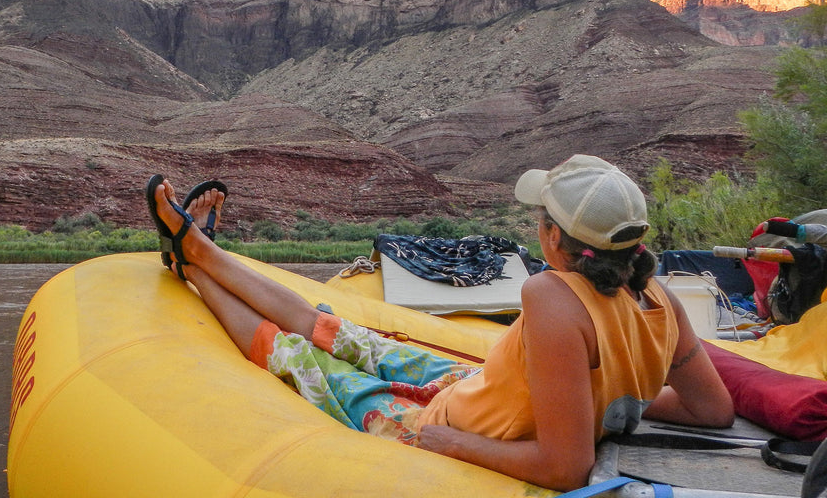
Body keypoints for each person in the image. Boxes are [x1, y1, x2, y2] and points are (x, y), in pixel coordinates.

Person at [146, 155, 734, 492]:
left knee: (298, 353)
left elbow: (565, 467)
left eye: (540, 219)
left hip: (440, 420)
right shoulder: (659, 298)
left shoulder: (552, 295)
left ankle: (192, 265)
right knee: (334, 329)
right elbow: (714, 410)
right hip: (468, 385)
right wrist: (601, 402)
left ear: (554, 237)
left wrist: (450, 441)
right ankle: (202, 251)